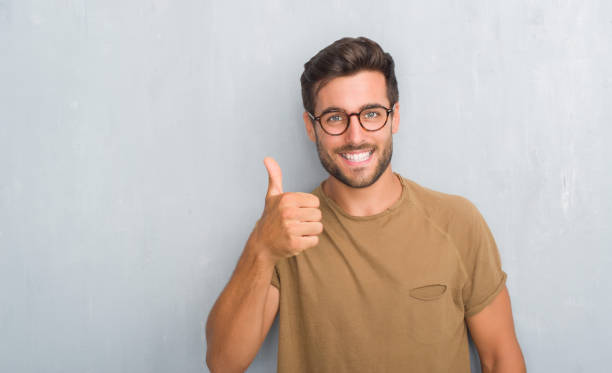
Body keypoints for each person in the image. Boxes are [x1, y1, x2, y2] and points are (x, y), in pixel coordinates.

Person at [205, 36, 526, 373]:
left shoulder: (457, 222)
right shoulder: (287, 230)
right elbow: (223, 363)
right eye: (334, 118)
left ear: (395, 117)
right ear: (311, 127)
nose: (355, 136)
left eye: (371, 114)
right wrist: (262, 247)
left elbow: (500, 358)